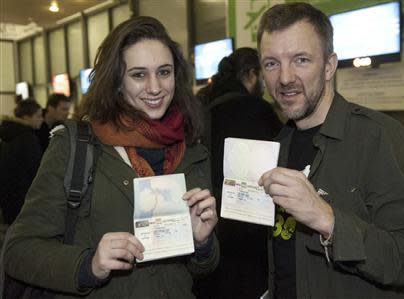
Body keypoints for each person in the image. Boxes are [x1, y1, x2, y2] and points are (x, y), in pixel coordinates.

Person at [4, 16, 219, 298]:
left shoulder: (193, 151)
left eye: (164, 72)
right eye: (138, 74)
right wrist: (88, 265)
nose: (155, 87)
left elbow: (201, 269)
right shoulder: (76, 146)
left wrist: (202, 243)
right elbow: (18, 250)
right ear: (117, 81)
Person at [256, 3, 404, 298]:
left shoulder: (377, 137)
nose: (284, 78)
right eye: (271, 63)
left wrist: (327, 219)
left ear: (329, 65)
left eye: (300, 60)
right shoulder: (277, 146)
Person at [196, 47, 282, 299]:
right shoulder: (257, 110)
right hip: (250, 230)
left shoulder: (204, 105)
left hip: (210, 226)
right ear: (251, 74)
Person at [0, 99, 44, 225]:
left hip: (8, 196)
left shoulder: (8, 135)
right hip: (24, 198)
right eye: (38, 116)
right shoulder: (28, 139)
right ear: (26, 117)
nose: (41, 119)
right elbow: (36, 171)